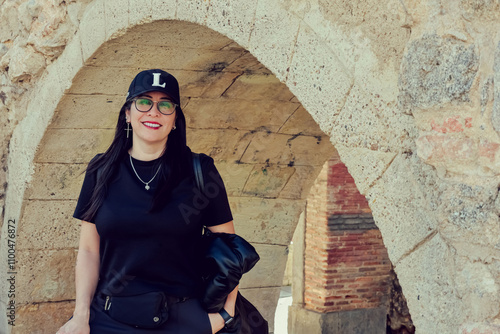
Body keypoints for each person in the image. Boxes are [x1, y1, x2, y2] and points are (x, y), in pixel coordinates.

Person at [57, 69, 239, 334]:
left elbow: (231, 253)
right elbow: (88, 251)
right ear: (128, 113)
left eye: (165, 105)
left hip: (184, 318)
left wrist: (225, 314)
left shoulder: (200, 171)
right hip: (110, 318)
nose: (154, 112)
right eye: (144, 102)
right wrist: (80, 316)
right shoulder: (101, 170)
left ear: (175, 119)